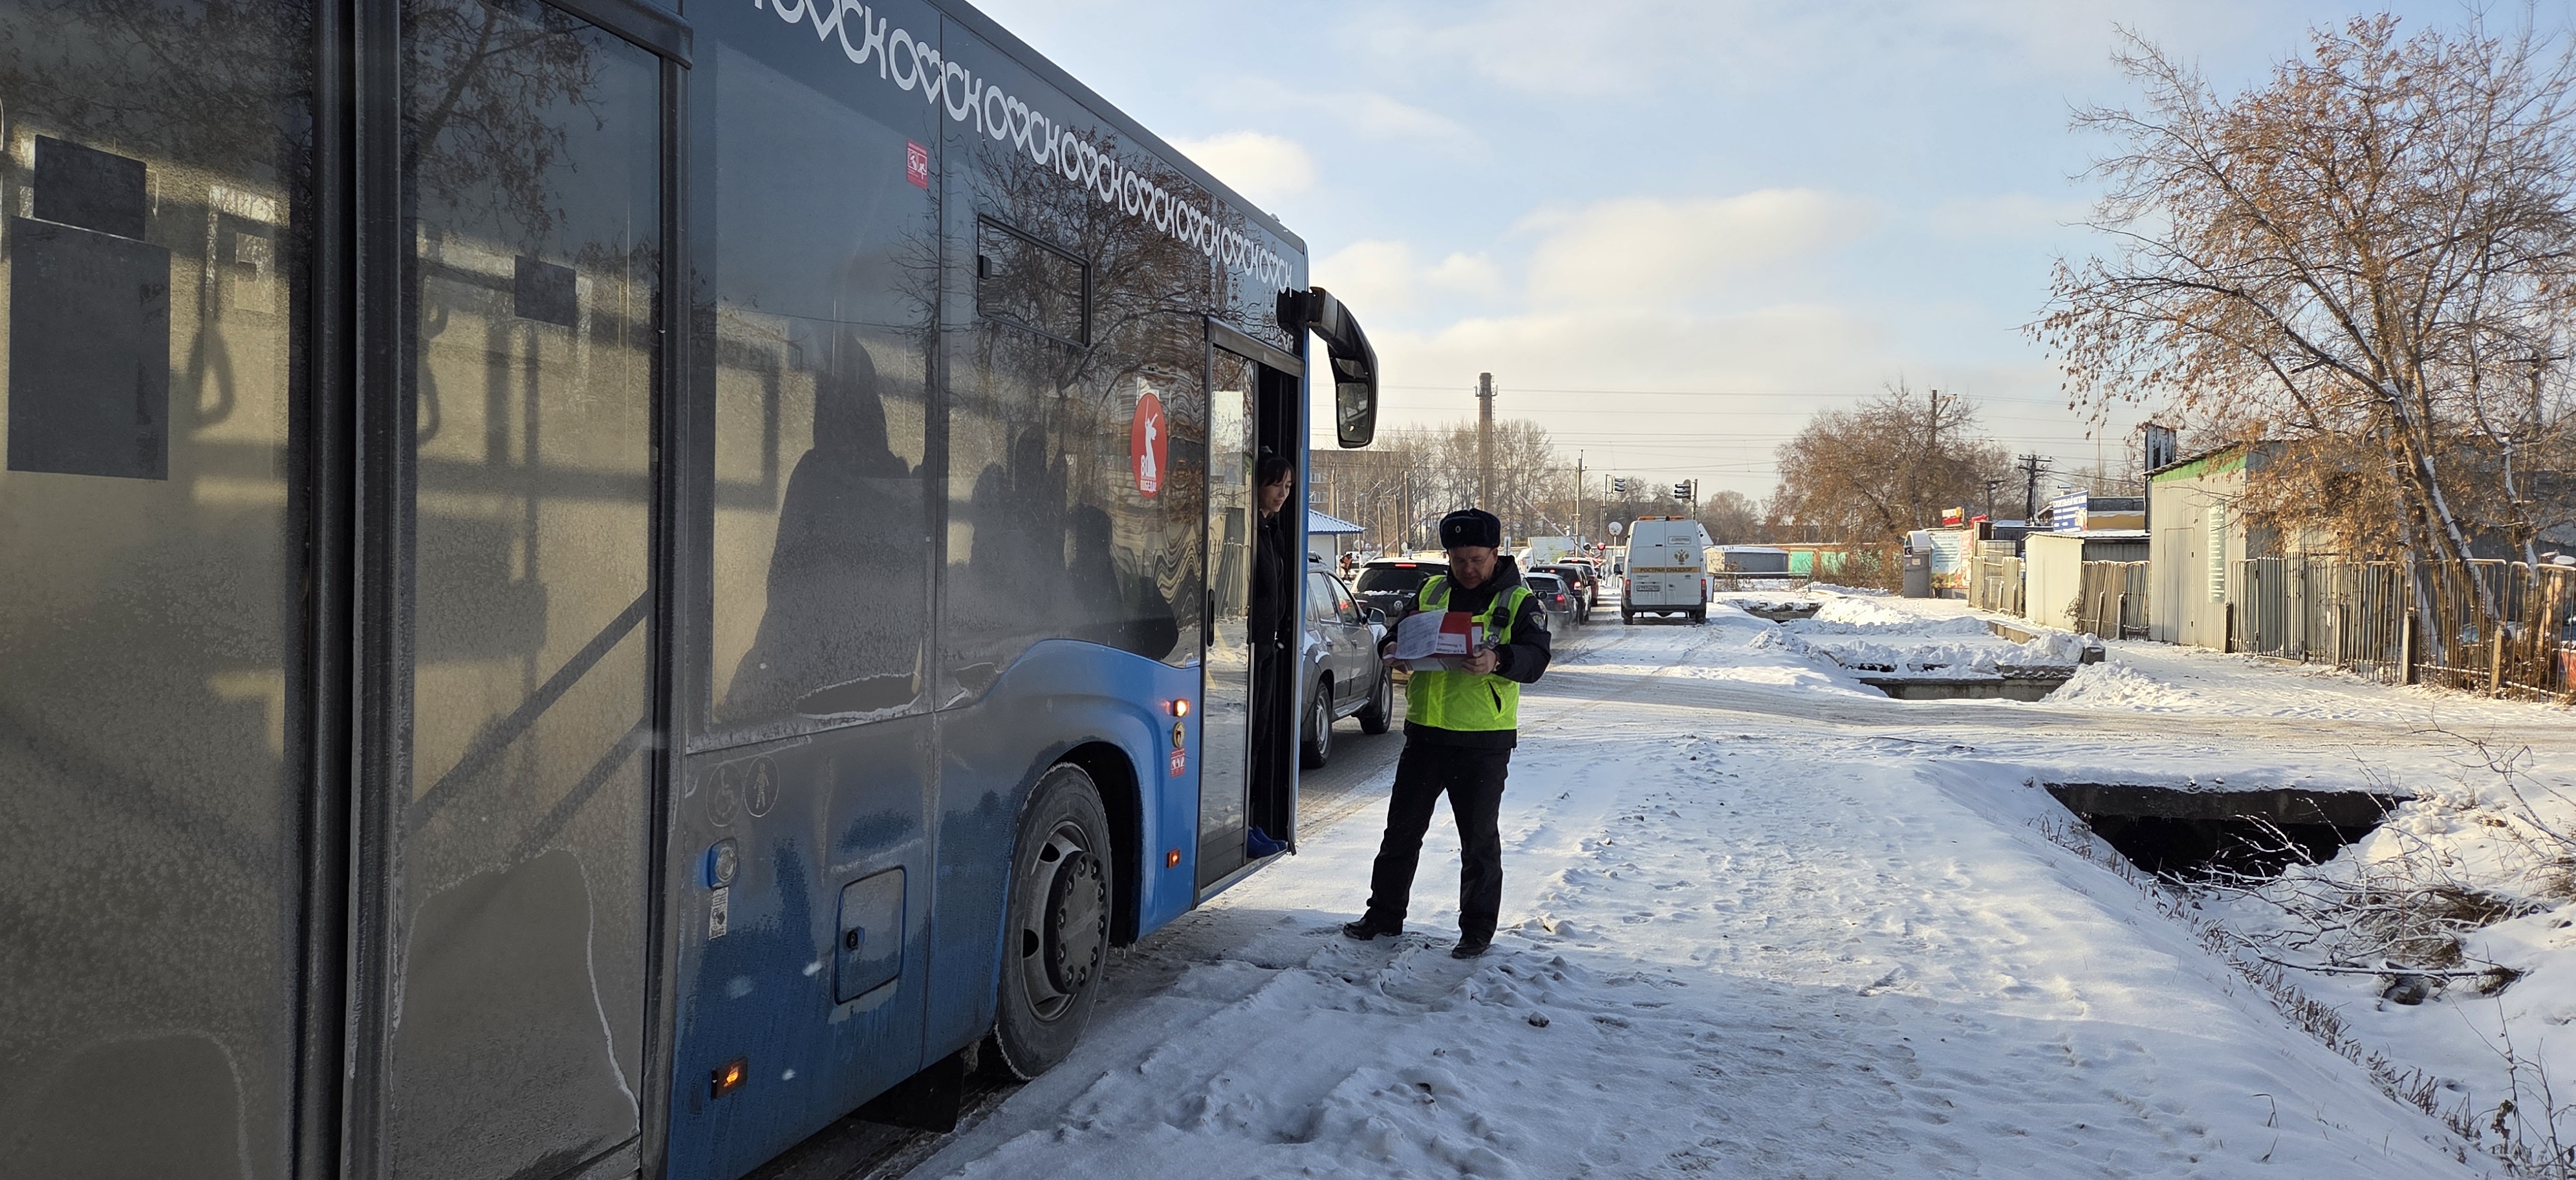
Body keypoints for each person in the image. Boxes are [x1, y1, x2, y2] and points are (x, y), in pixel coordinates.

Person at [1343, 507, 1551, 958]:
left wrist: (1498, 659)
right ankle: (1383, 916)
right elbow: (1396, 633)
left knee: (1478, 842)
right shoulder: (1433, 589)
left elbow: (1536, 659)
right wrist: (1391, 648)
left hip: (1482, 740)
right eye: (1458, 560)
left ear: (1495, 553)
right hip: (1425, 733)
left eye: (1476, 559)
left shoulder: (1518, 601)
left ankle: (1476, 931)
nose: (1467, 569)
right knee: (1400, 833)